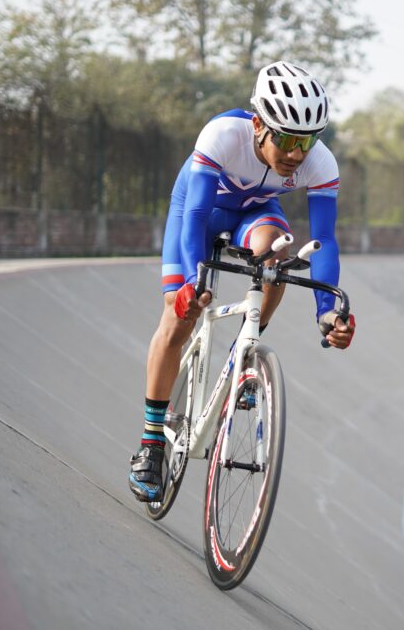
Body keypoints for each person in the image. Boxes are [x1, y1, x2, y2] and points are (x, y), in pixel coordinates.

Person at [128, 61, 356, 503]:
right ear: (258, 124)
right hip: (199, 210)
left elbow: (324, 240)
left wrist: (327, 312)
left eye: (306, 141)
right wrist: (194, 281)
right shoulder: (223, 135)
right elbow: (194, 216)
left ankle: (242, 358)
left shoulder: (320, 163)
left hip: (253, 213)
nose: (296, 153)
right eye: (287, 139)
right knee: (179, 316)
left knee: (279, 257)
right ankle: (152, 441)